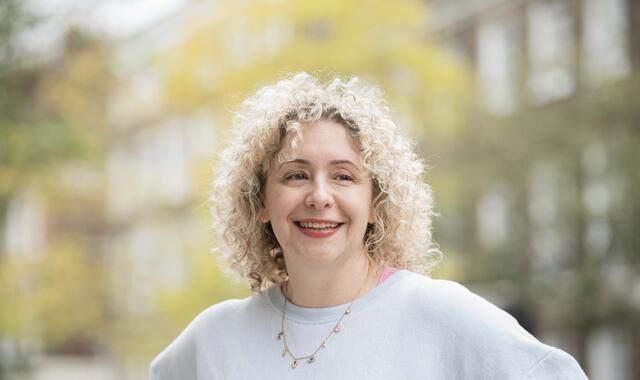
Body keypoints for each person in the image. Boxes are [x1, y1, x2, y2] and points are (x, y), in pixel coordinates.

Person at [150, 73, 588, 379]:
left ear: (376, 203)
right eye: (296, 174)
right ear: (260, 200)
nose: (320, 196)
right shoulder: (211, 342)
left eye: (343, 176)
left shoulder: (443, 317)